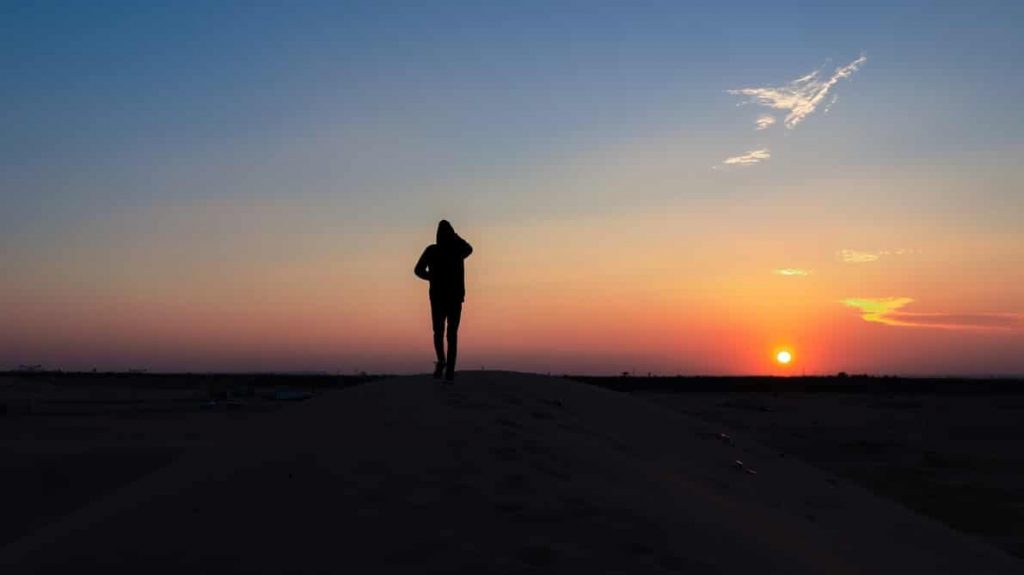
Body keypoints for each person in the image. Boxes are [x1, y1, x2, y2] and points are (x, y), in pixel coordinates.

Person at [414, 220, 473, 381]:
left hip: (449, 297)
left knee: (445, 333)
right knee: (444, 333)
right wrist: (431, 277)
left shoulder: (454, 250)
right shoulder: (444, 250)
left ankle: (447, 368)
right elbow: (418, 270)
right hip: (443, 298)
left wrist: (431, 277)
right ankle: (444, 365)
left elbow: (470, 249)